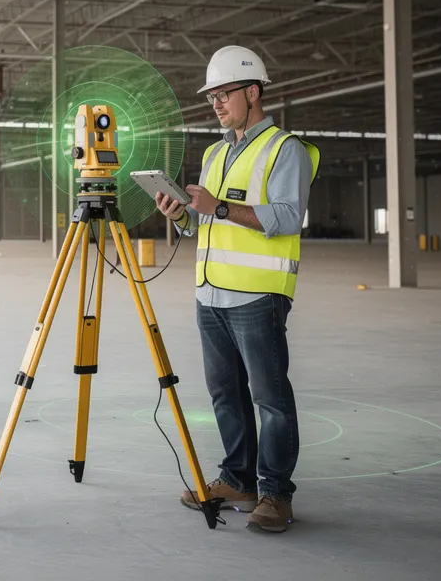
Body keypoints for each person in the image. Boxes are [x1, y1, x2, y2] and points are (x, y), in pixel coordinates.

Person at [154, 45, 319, 534]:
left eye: (224, 93)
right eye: (212, 97)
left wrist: (219, 206)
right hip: (211, 294)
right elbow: (205, 224)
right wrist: (183, 213)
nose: (217, 103)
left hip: (257, 296)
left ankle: (275, 494)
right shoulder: (215, 152)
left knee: (270, 397)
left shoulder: (285, 149)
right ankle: (238, 481)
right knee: (225, 393)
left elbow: (289, 216)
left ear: (253, 92)